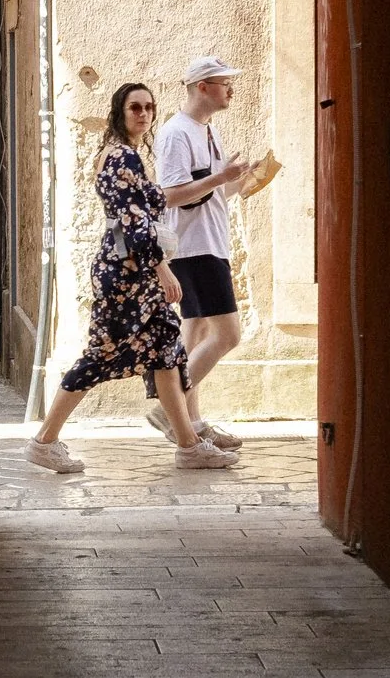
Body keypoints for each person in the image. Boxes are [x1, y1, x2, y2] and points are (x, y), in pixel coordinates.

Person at [24, 82, 239, 474]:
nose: (143, 114)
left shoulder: (129, 156)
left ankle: (189, 446)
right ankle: (44, 441)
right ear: (120, 112)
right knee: (100, 356)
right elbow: (131, 221)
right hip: (125, 275)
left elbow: (162, 200)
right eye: (135, 107)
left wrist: (220, 179)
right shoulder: (121, 157)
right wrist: (162, 268)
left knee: (165, 352)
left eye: (149, 107)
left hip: (135, 271)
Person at [149, 55, 256, 450]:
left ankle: (192, 424)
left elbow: (210, 194)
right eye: (224, 82)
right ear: (202, 87)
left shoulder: (207, 131)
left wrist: (239, 183)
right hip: (194, 249)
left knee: (193, 337)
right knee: (228, 335)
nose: (231, 89)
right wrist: (221, 177)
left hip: (210, 243)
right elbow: (171, 196)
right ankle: (170, 405)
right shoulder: (176, 134)